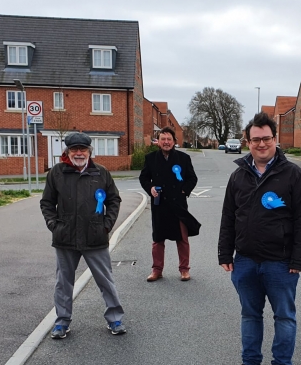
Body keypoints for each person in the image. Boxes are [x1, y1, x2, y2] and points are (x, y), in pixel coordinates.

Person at [218, 112, 301, 365]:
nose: (261, 144)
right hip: (245, 260)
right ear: (248, 142)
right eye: (256, 139)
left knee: (284, 316)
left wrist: (298, 259)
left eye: (266, 138)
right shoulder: (238, 176)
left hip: (281, 262)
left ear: (275, 139)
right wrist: (225, 253)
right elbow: (228, 217)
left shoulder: (293, 174)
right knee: (250, 314)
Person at [40, 132, 127, 338]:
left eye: (83, 149)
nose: (79, 153)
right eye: (74, 149)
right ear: (67, 152)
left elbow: (114, 200)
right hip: (65, 238)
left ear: (89, 151)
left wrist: (106, 225)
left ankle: (115, 319)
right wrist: (54, 225)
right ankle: (62, 322)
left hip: (95, 236)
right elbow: (47, 203)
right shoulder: (57, 173)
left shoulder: (101, 173)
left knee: (105, 280)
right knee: (63, 283)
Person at [139, 127, 201, 282]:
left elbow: (192, 179)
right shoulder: (150, 158)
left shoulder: (184, 159)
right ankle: (157, 270)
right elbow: (143, 178)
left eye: (169, 139)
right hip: (159, 204)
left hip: (178, 205)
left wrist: (183, 191)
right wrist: (150, 188)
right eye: (163, 139)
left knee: (182, 239)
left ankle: (184, 270)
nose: (166, 142)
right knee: (158, 239)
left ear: (174, 142)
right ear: (158, 142)